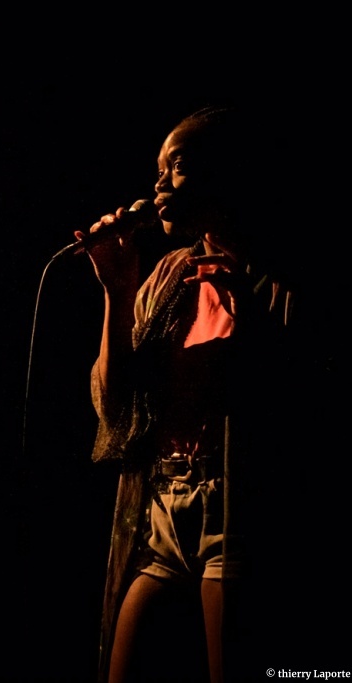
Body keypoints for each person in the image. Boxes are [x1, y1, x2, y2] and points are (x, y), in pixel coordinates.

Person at [74, 106, 294, 683]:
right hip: (165, 510)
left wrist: (241, 273)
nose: (159, 184)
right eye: (157, 169)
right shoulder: (170, 275)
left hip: (237, 511)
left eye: (177, 167)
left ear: (227, 174)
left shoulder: (274, 280)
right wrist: (118, 293)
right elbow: (113, 406)